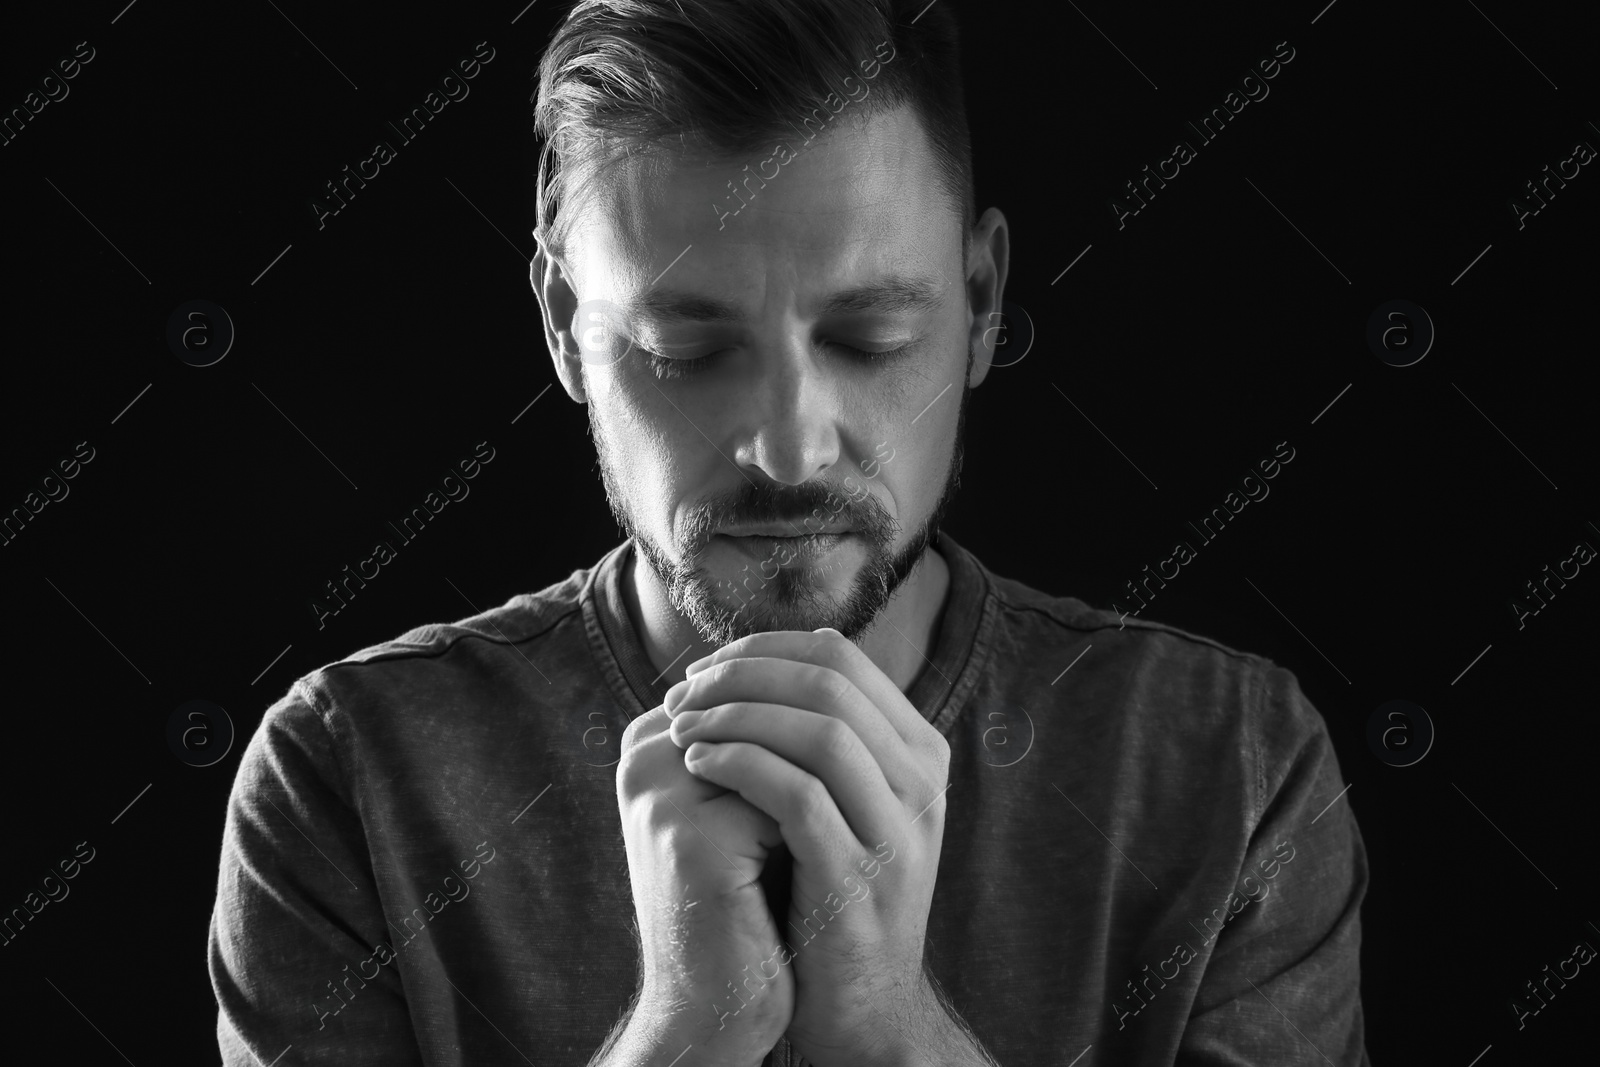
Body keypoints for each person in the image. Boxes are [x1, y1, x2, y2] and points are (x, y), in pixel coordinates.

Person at [208, 2, 1371, 1064]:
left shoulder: (1230, 768)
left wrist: (887, 1026)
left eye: (868, 337)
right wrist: (679, 1034)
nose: (786, 448)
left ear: (979, 303)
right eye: (685, 351)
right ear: (566, 328)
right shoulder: (348, 775)